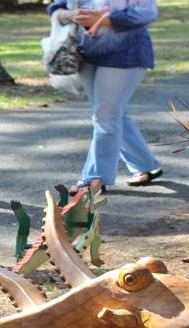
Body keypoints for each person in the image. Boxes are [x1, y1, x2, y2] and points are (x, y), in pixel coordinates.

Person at [48, 0, 166, 190]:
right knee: (111, 114)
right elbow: (56, 7)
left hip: (126, 54)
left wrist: (107, 20)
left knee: (105, 116)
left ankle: (94, 179)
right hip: (86, 54)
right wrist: (68, 15)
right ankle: (145, 165)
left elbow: (147, 12)